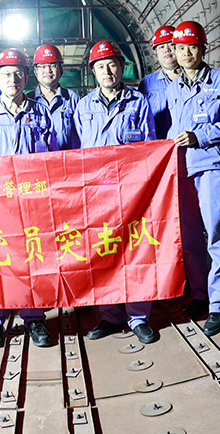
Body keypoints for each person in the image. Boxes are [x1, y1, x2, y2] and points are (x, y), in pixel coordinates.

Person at [0, 48, 57, 348]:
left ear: (27, 77)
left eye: (18, 73)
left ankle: (34, 317)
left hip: (31, 202)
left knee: (32, 259)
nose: (12, 79)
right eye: (5, 74)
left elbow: (53, 156)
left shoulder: (40, 113)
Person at [74, 41, 158, 344]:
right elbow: (76, 151)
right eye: (100, 66)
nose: (107, 71)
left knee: (135, 252)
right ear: (93, 71)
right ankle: (110, 315)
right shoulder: (84, 107)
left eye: (112, 64)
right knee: (103, 253)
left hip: (130, 190)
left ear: (122, 67)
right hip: (97, 193)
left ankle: (138, 317)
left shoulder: (138, 102)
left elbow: (149, 147)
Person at [166, 20, 220, 336]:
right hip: (181, 171)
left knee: (217, 234)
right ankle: (201, 295)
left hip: (210, 166)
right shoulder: (173, 88)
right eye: (181, 48)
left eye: (192, 47)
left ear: (203, 48)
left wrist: (200, 136)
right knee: (190, 238)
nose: (186, 53)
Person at [26, 44, 79, 151]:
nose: (48, 70)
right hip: (37, 160)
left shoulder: (72, 99)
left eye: (53, 65)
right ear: (36, 71)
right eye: (42, 66)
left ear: (60, 69)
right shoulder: (27, 101)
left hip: (68, 159)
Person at [139, 25, 181, 139]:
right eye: (161, 47)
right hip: (159, 145)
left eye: (171, 45)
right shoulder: (147, 83)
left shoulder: (193, 79)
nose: (166, 50)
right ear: (156, 54)